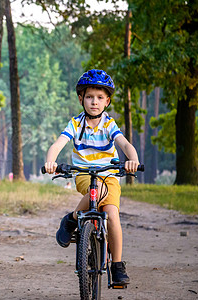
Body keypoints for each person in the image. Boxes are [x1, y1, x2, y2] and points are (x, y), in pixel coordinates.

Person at [44, 69, 140, 286]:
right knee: (98, 192)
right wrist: (51, 161)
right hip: (85, 175)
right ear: (81, 99)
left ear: (107, 101)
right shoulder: (75, 124)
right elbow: (58, 143)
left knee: (112, 215)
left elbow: (124, 144)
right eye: (89, 97)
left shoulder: (109, 124)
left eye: (99, 98)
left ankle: (117, 265)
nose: (94, 102)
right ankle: (73, 219)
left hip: (109, 175)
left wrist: (132, 159)